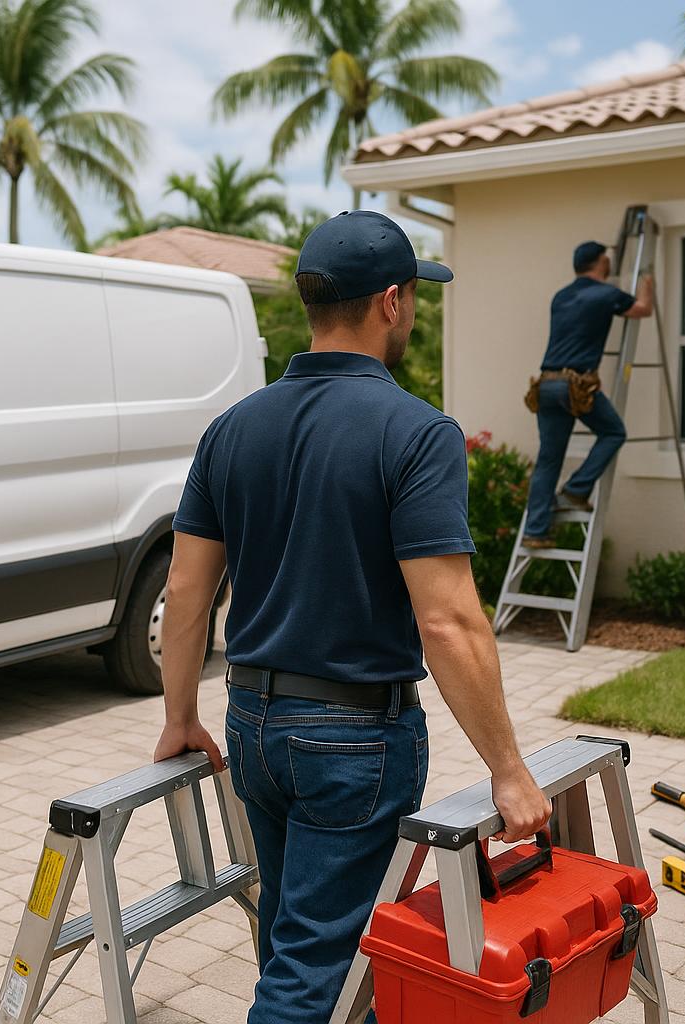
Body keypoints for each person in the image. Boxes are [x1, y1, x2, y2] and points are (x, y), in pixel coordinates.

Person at [152, 210, 552, 1024]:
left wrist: (179, 715)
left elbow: (187, 592)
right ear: (393, 302)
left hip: (253, 726)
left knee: (298, 936)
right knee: (315, 967)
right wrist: (509, 770)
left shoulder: (231, 430)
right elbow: (449, 622)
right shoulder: (416, 432)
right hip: (353, 745)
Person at [520, 240, 653, 548]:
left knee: (548, 459)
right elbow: (642, 310)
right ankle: (576, 491)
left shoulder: (560, 296)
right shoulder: (606, 294)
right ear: (601, 263)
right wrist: (648, 282)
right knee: (614, 432)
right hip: (574, 386)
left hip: (547, 385)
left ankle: (535, 531)